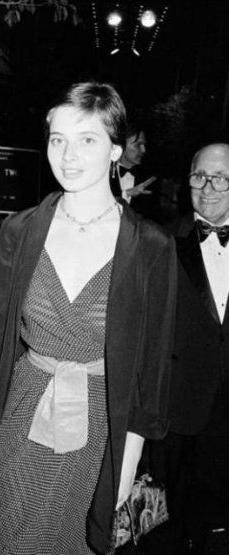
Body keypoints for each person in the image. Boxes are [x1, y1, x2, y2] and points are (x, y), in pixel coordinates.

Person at [0, 82, 177, 555]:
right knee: (11, 539)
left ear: (115, 149)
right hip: (24, 411)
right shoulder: (21, 230)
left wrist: (126, 465)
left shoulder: (151, 246)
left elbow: (151, 370)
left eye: (87, 140)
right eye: (58, 139)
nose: (68, 155)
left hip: (104, 426)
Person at [152, 143, 229, 554]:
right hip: (178, 408)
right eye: (200, 176)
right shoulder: (160, 240)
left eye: (221, 178)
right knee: (171, 525)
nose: (208, 188)